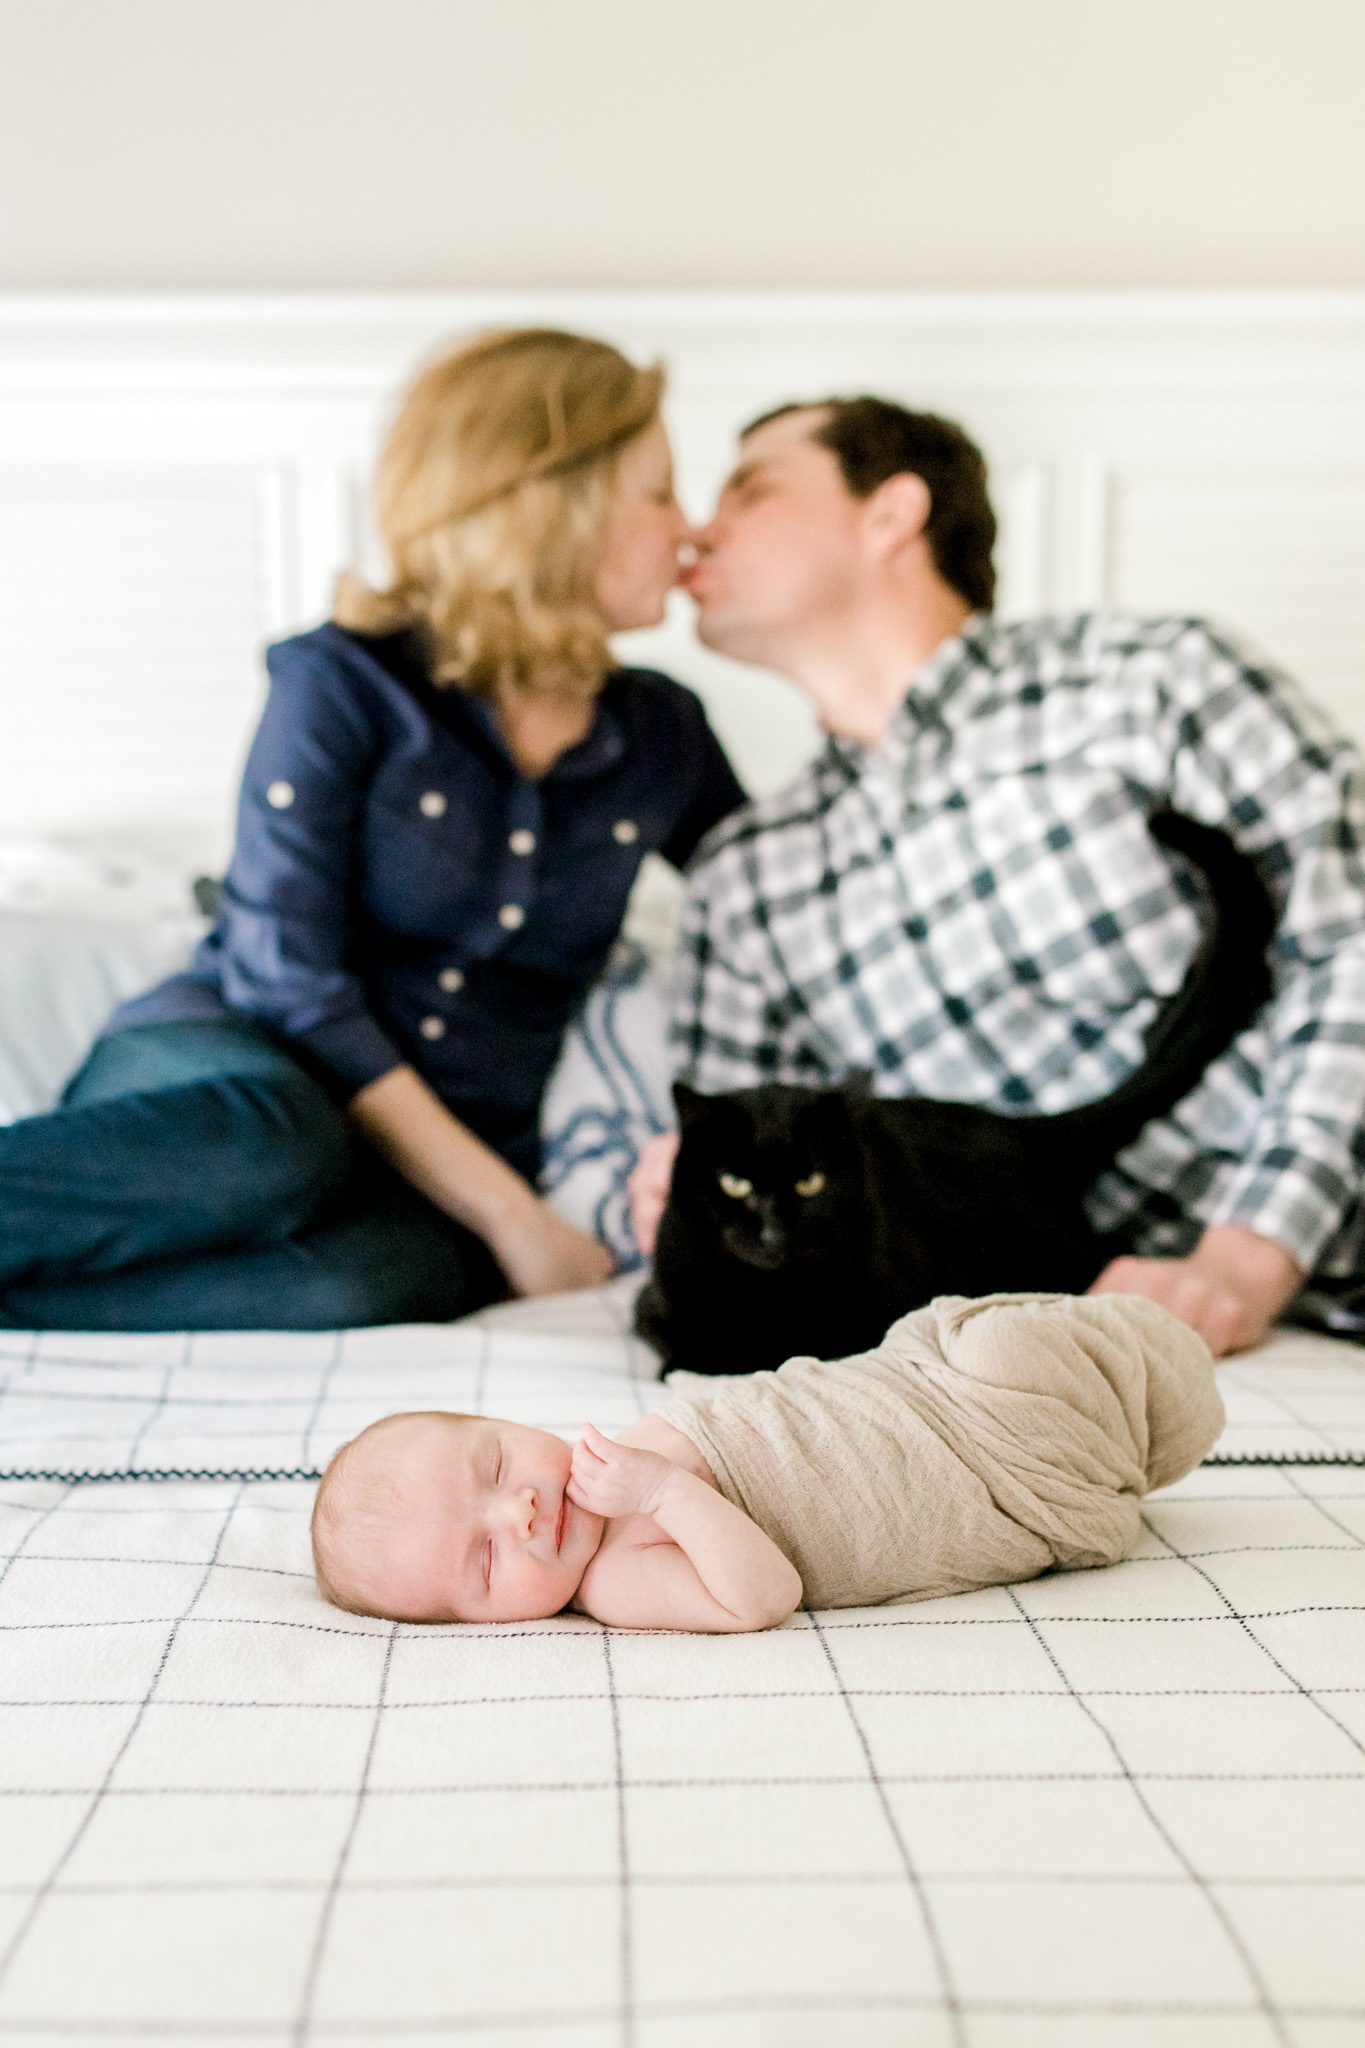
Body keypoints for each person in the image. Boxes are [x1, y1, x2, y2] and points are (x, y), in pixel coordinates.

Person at [0, 329, 744, 1330]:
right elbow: (286, 977)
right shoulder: (342, 683)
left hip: (425, 1171)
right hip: (227, 1072)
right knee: (275, 1144)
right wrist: (511, 1212)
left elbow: (774, 909)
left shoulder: (665, 733)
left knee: (388, 1283)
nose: (689, 529)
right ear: (552, 507)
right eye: (658, 492)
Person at [631, 396, 1365, 1358]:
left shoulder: (1152, 682)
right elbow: (757, 1152)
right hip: (1074, 1326)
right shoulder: (743, 883)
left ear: (890, 513)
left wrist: (1243, 1256)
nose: (694, 529)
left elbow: (1347, 935)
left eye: (749, 489)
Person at [309, 1289, 1223, 1629]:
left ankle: (1155, 1359)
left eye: (495, 1468)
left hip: (912, 1389)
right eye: (484, 1560)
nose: (518, 1515)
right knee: (1017, 1367)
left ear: (505, 1421)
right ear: (482, 1623)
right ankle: (1156, 1408)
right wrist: (664, 1493)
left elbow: (765, 1411)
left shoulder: (605, 1451)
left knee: (996, 1339)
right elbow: (760, 1596)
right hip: (976, 1460)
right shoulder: (618, 1582)